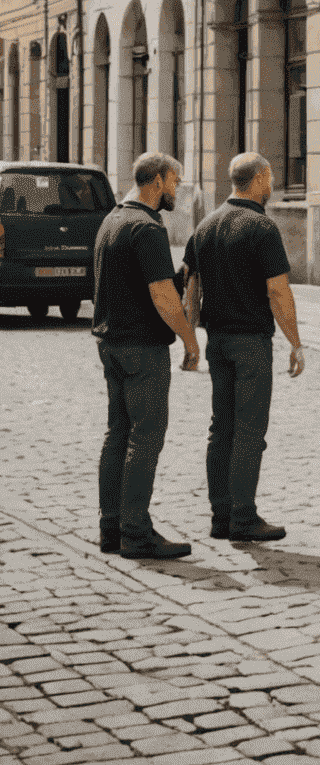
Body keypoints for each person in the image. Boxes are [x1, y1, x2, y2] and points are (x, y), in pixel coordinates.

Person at [183, 152, 304, 543]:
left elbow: (191, 288)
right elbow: (277, 290)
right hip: (251, 342)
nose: (271, 186)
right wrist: (295, 343)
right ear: (259, 179)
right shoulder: (261, 227)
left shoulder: (205, 225)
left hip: (216, 340)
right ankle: (244, 516)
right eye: (269, 179)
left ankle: (221, 515)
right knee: (249, 431)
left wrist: (191, 340)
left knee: (222, 429)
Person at [92, 152, 198, 560]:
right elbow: (162, 297)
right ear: (156, 180)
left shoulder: (112, 220)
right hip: (142, 349)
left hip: (110, 343)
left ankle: (110, 527)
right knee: (146, 436)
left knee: (117, 434)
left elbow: (125, 282)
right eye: (174, 181)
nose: (176, 189)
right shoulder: (147, 228)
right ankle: (136, 531)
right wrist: (190, 340)